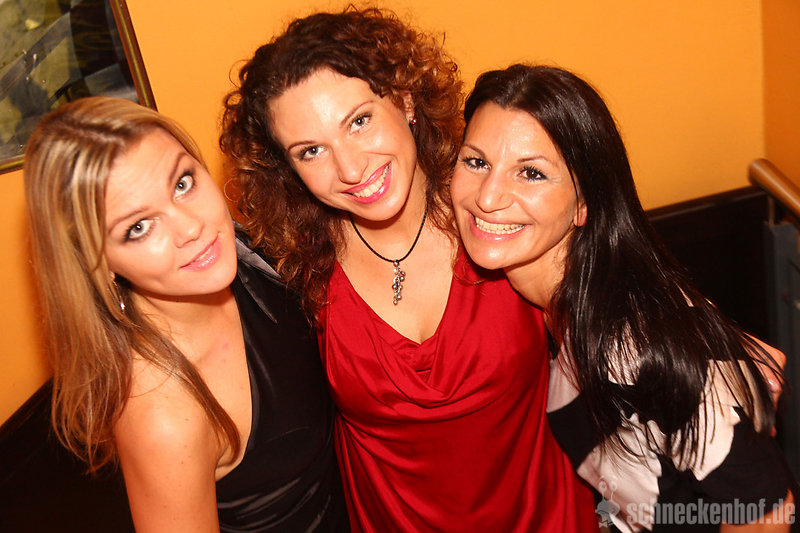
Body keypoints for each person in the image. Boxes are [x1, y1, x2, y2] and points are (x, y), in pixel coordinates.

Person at [220, 8, 598, 532]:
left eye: (359, 121)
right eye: (311, 151)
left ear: (403, 100)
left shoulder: (499, 216)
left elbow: (618, 314)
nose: (351, 168)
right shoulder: (292, 271)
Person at [451, 63, 798, 532]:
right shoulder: (558, 298)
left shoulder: (631, 343)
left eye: (531, 173)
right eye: (476, 162)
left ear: (584, 203)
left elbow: (767, 511)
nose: (489, 197)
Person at [23, 96, 349, 532]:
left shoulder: (243, 252)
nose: (191, 227)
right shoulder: (163, 417)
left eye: (182, 183)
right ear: (99, 266)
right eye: (138, 227)